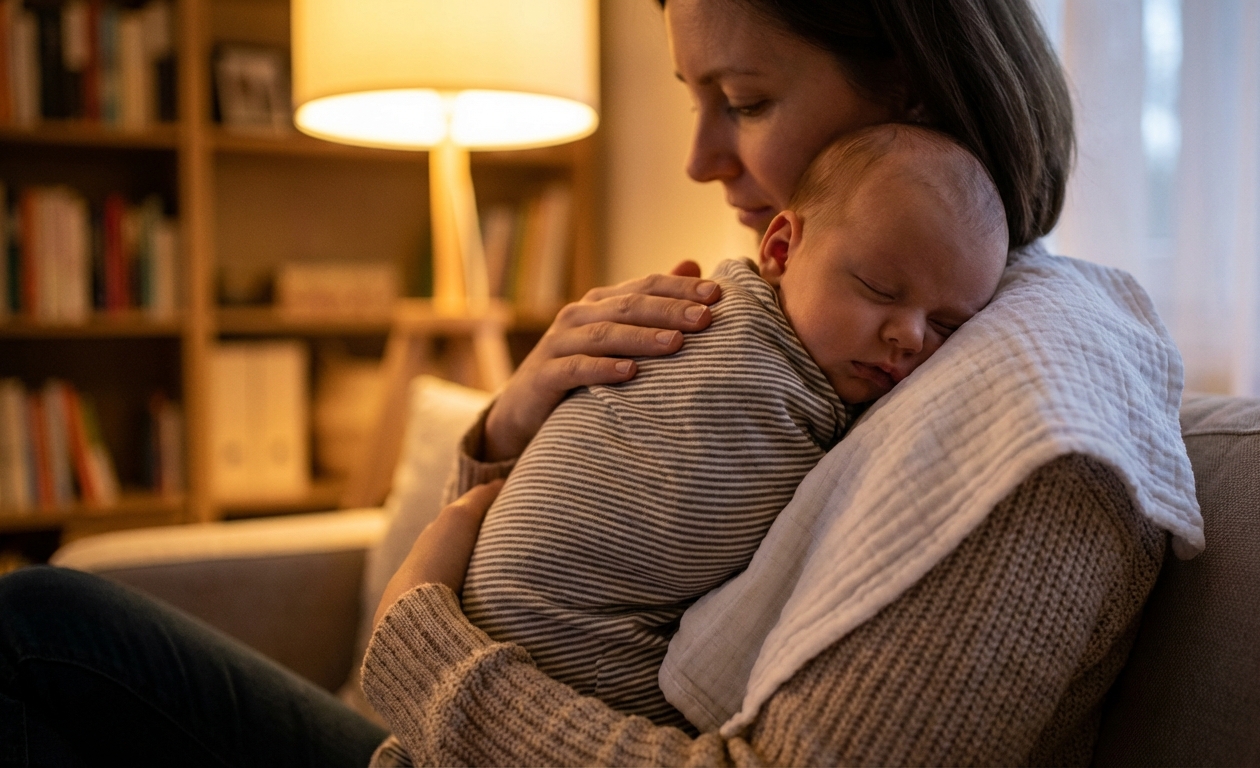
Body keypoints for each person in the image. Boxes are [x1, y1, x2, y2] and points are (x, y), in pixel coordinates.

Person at [0, 0, 1174, 765]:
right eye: (693, 97)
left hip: (446, 710)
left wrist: (423, 644)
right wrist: (514, 427)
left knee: (47, 635)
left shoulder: (1038, 412)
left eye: (747, 101)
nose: (700, 159)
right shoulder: (809, 324)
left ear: (913, 88)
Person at [459, 124, 1007, 728]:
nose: (908, 335)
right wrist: (503, 426)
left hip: (480, 615)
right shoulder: (750, 366)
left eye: (949, 326)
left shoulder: (751, 313)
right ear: (780, 251)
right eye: (878, 288)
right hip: (557, 633)